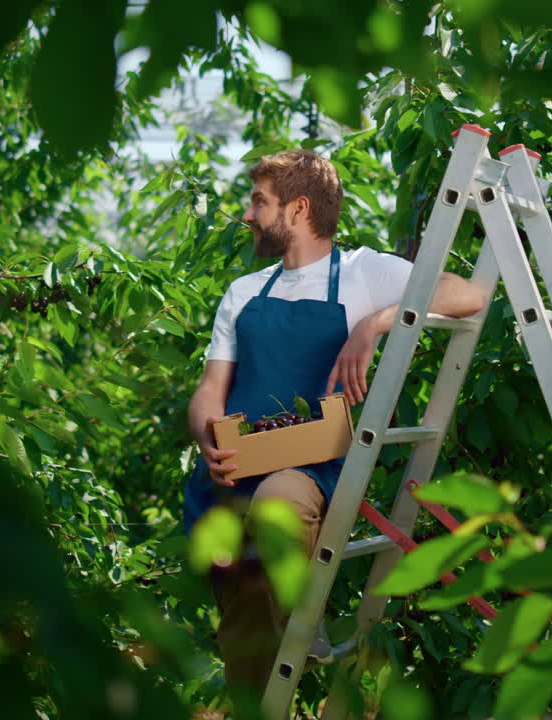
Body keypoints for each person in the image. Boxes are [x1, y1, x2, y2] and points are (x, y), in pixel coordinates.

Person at [182, 149, 485, 698]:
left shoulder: (365, 272)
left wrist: (377, 321)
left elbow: (467, 293)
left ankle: (298, 618)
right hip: (235, 467)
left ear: (297, 210)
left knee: (278, 507)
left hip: (312, 464)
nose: (247, 216)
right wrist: (208, 434)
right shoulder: (244, 293)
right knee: (244, 623)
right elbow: (209, 390)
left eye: (259, 202)